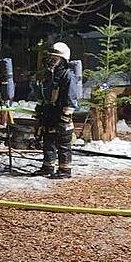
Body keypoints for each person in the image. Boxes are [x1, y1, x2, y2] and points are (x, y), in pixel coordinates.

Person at [35, 42, 78, 179]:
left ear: (63, 61)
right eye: (50, 58)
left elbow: (70, 97)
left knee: (63, 143)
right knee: (48, 140)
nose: (51, 61)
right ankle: (48, 167)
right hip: (49, 113)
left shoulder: (67, 76)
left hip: (61, 114)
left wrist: (65, 115)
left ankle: (65, 170)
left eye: (55, 58)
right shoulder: (49, 75)